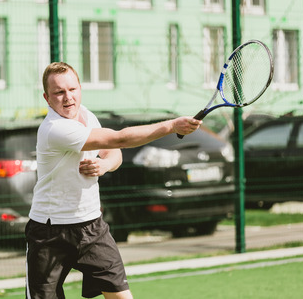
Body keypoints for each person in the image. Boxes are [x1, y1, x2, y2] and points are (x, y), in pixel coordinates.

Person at [25, 62, 202, 299]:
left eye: (72, 89)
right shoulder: (54, 129)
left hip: (90, 226)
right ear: (47, 98)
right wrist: (170, 126)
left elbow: (113, 153)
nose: (67, 97)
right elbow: (119, 140)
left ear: (80, 88)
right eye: (59, 92)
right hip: (48, 232)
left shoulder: (86, 115)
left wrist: (104, 165)